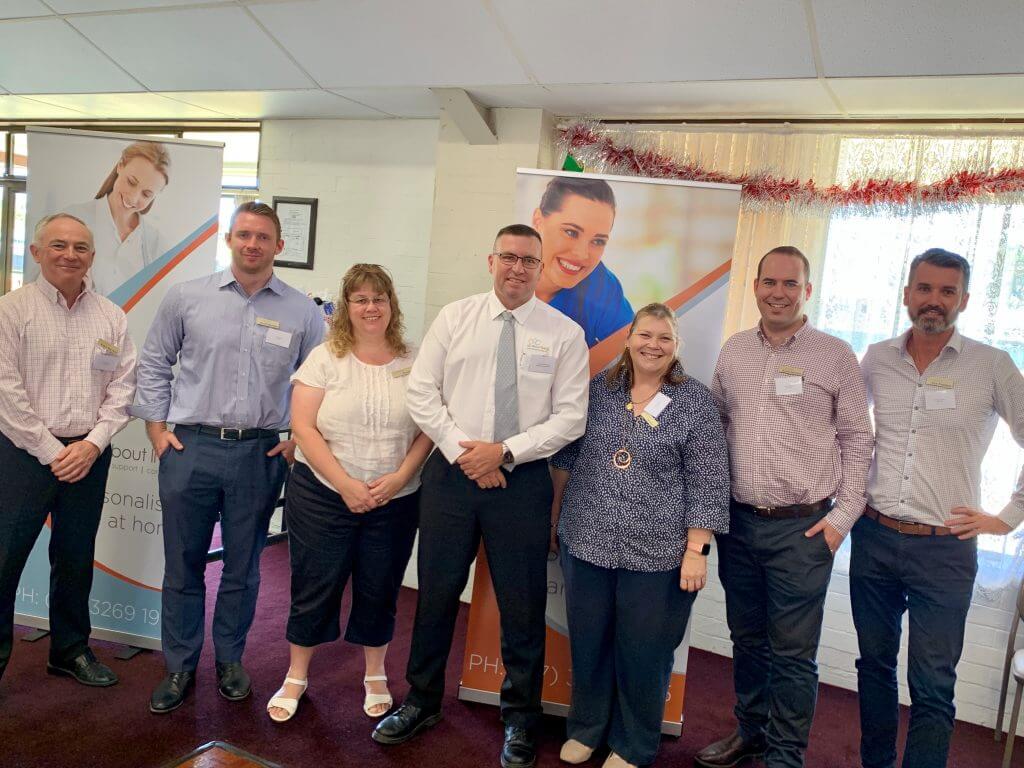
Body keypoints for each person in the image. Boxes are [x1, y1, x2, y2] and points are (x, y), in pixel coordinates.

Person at [372, 224, 590, 768]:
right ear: (491, 259)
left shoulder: (563, 333)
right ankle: (421, 701)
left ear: (541, 268)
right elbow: (422, 392)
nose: (518, 268)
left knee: (522, 604)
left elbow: (572, 417)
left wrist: (506, 452)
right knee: (437, 594)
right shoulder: (455, 317)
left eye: (529, 260)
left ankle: (520, 718)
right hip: (451, 475)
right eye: (509, 257)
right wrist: (465, 452)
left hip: (522, 482)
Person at [132, 202, 324, 714]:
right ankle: (179, 665)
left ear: (279, 246)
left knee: (243, 567)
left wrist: (299, 440)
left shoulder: (303, 312)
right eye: (243, 235)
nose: (252, 244)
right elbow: (153, 361)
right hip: (190, 447)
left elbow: (323, 381)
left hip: (260, 453)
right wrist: (155, 429)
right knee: (183, 564)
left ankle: (231, 661)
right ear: (230, 240)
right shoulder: (187, 298)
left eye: (263, 237)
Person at [696, 246, 873, 768]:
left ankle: (785, 755)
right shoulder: (733, 352)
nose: (778, 292)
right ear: (755, 287)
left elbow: (859, 442)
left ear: (807, 291)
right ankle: (750, 732)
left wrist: (841, 520)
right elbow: (716, 432)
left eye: (790, 284)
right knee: (747, 640)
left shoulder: (835, 354)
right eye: (769, 282)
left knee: (793, 655)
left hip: (805, 530)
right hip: (740, 525)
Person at [853, 248, 1024, 768]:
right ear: (907, 295)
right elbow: (846, 432)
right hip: (876, 538)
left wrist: (1008, 516)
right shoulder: (877, 359)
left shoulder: (992, 365)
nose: (934, 301)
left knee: (931, 684)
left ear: (965, 300)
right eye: (924, 289)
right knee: (874, 667)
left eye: (947, 291)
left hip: (945, 552)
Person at [550, 302, 730, 768]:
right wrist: (555, 518)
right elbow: (566, 458)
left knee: (644, 653)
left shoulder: (695, 401)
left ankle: (632, 743)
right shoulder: (601, 390)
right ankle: (587, 730)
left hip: (658, 554)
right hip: (587, 539)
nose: (653, 345)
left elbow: (708, 481)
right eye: (645, 335)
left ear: (676, 346)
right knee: (588, 642)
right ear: (629, 339)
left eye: (664, 338)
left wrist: (697, 550)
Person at [266, 264, 432, 723]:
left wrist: (400, 477)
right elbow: (303, 427)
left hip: (395, 498)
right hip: (324, 494)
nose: (370, 307)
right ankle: (296, 676)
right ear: (347, 307)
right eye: (360, 299)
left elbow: (429, 429)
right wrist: (345, 484)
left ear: (391, 305)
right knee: (315, 584)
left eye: (379, 298)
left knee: (380, 586)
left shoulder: (413, 360)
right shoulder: (324, 358)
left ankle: (374, 673)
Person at [0, 214, 136, 687]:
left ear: (92, 257)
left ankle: (69, 650)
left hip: (88, 456)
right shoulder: (11, 311)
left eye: (80, 247)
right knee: (4, 559)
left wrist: (92, 444)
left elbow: (123, 388)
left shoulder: (111, 317)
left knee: (76, 557)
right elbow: (6, 392)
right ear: (36, 253)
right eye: (58, 245)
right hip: (22, 456)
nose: (70, 255)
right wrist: (52, 450)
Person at [531, 176, 632, 347]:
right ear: (538, 221)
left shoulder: (602, 287)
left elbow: (632, 353)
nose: (581, 254)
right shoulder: (510, 274)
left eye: (598, 241)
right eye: (571, 232)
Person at [65, 141, 170, 297]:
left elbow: (154, 300)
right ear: (120, 166)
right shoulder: (72, 218)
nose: (134, 198)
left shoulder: (155, 242)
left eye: (146, 194)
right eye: (131, 182)